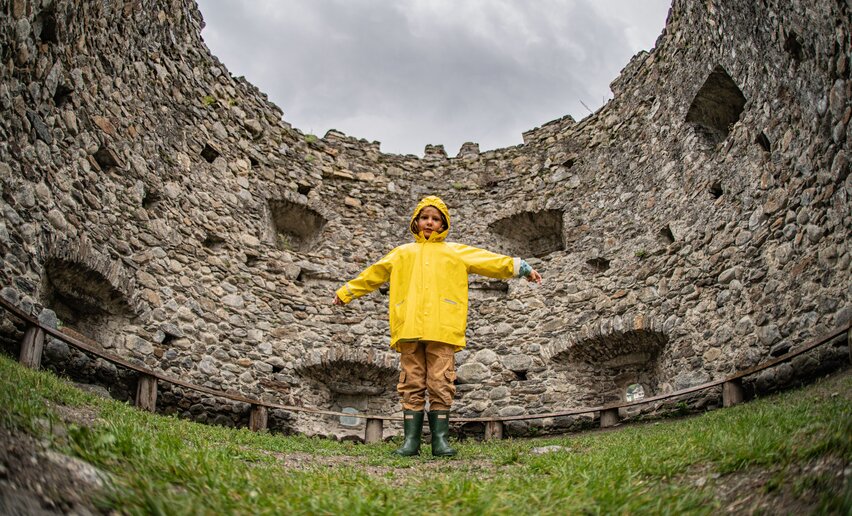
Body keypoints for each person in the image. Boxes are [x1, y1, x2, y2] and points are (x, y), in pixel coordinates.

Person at [333, 195, 542, 457]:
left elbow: (489, 261)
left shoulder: (455, 251)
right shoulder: (402, 253)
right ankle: (411, 442)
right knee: (411, 382)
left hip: (443, 328)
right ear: (416, 222)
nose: (429, 223)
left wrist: (520, 267)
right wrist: (347, 291)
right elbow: (374, 274)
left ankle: (440, 441)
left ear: (443, 224)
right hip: (408, 327)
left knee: (440, 381)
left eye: (435, 218)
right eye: (425, 218)